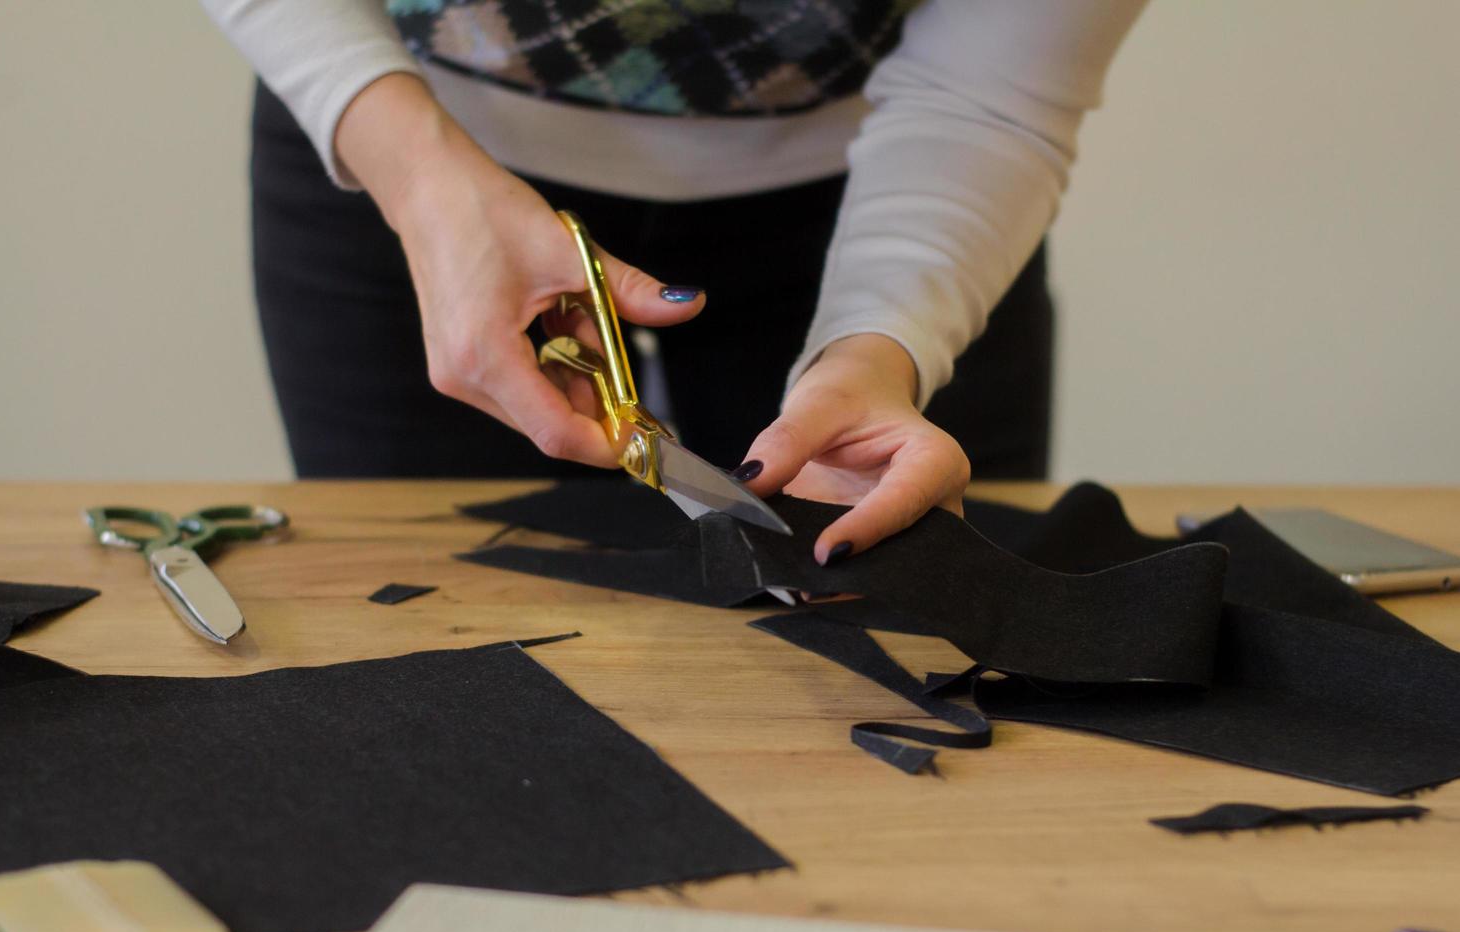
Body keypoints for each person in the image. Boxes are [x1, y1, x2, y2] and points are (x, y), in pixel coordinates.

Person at [203, 0, 1145, 563]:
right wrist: (417, 177)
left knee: (924, 626)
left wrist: (879, 343)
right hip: (399, 132)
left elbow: (990, 94)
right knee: (420, 650)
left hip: (900, 183)